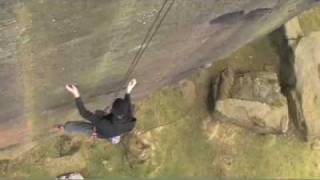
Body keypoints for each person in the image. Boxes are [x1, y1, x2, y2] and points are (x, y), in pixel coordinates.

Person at [56, 79, 137, 144]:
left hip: (100, 131)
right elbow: (128, 105)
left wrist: (76, 95)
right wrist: (128, 91)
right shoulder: (131, 121)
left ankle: (65, 128)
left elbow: (84, 113)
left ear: (112, 110)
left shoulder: (103, 123)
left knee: (83, 127)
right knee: (100, 114)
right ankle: (113, 137)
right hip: (115, 129)